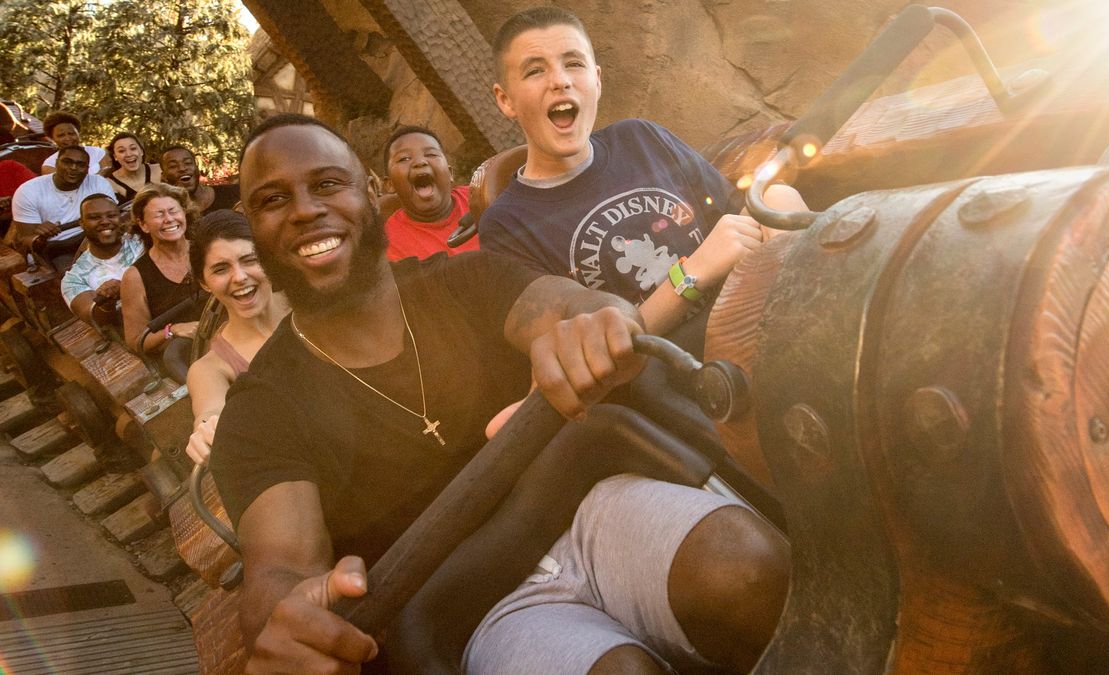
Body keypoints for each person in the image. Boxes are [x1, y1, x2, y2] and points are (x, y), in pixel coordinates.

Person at [208, 114, 787, 675]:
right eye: (273, 200)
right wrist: (286, 620)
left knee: (744, 566)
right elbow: (279, 570)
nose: (307, 210)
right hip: (473, 606)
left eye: (327, 185)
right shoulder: (261, 410)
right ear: (253, 226)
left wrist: (597, 322)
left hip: (587, 505)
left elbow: (575, 305)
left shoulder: (465, 281)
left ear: (370, 193)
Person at [478, 7, 805, 345]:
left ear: (598, 80)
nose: (560, 80)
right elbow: (596, 356)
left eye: (574, 64)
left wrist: (778, 203)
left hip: (756, 321)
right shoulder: (505, 227)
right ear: (506, 100)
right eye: (535, 70)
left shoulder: (641, 138)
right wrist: (690, 276)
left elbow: (739, 216)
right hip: (679, 379)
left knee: (778, 197)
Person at [185, 209, 288, 465]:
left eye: (250, 260)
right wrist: (208, 430)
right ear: (204, 282)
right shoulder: (211, 368)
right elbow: (210, 411)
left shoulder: (310, 302)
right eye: (221, 269)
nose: (240, 277)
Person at [120, 183, 203, 352]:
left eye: (173, 211)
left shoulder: (207, 249)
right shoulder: (135, 276)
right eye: (159, 214)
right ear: (143, 224)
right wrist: (172, 330)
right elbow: (137, 341)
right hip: (184, 353)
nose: (169, 219)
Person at [381, 124, 478, 261]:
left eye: (431, 154)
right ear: (390, 184)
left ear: (450, 173)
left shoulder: (482, 198)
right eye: (404, 159)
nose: (420, 162)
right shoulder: (391, 244)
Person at [9, 145, 116, 265]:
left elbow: (114, 218)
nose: (73, 168)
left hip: (98, 238)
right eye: (67, 162)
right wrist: (39, 236)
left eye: (80, 164)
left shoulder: (98, 182)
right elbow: (25, 239)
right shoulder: (28, 191)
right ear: (56, 163)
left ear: (87, 169)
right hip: (59, 249)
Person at [60, 193, 145, 323]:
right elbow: (93, 316)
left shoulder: (144, 240)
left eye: (111, 216)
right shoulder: (74, 279)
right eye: (94, 217)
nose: (105, 221)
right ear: (82, 224)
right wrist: (106, 303)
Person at [160, 145, 240, 215]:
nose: (182, 168)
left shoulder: (236, 193)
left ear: (197, 168)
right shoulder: (170, 214)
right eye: (173, 166)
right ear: (163, 177)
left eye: (187, 163)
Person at [39, 111, 108, 175]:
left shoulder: (98, 153)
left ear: (78, 133)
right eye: (61, 135)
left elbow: (108, 172)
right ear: (52, 138)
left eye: (71, 133)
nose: (68, 138)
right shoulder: (50, 165)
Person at [104, 132, 162, 205]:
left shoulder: (160, 170)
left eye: (133, 148)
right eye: (122, 151)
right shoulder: (109, 183)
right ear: (115, 156)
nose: (128, 154)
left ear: (141, 151)